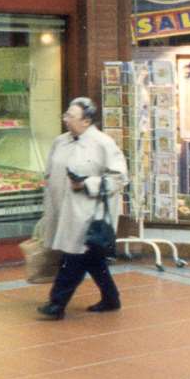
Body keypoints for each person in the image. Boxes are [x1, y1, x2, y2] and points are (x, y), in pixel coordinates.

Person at [38, 96, 127, 320]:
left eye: (71, 116)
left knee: (74, 258)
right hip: (63, 210)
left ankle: (56, 304)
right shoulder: (61, 141)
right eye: (66, 115)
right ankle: (111, 298)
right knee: (91, 259)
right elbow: (50, 171)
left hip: (88, 213)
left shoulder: (103, 143)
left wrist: (87, 183)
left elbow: (119, 178)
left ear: (86, 121)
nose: (66, 119)